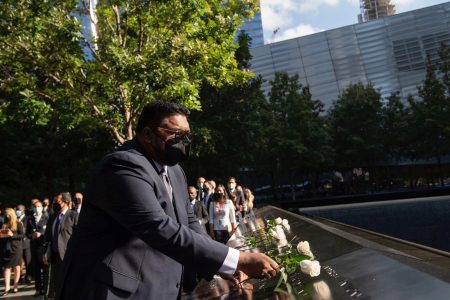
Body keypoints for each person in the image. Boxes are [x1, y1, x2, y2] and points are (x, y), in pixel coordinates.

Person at [58, 101, 279, 300]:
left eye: (188, 136)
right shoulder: (122, 166)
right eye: (176, 135)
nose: (184, 142)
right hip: (112, 291)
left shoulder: (175, 171)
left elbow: (189, 221)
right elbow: (157, 226)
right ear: (147, 134)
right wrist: (238, 259)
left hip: (159, 287)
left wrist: (219, 263)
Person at [44, 192, 78, 300]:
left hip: (68, 257)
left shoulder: (74, 216)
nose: (54, 204)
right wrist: (45, 252)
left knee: (70, 284)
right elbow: (47, 236)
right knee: (57, 285)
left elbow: (79, 237)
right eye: (54, 202)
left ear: (66, 202)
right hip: (54, 257)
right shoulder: (53, 217)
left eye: (57, 202)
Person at [27, 200, 49, 297]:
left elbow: (49, 231)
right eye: (35, 206)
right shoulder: (30, 219)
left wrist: (41, 233)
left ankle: (45, 289)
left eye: (39, 206)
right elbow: (27, 233)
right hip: (34, 246)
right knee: (36, 269)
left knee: (45, 269)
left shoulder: (46, 217)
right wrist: (32, 235)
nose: (37, 208)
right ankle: (38, 289)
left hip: (43, 246)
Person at [0, 208, 24, 296]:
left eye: (8, 214)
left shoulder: (18, 223)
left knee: (17, 267)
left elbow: (22, 235)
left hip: (16, 248)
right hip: (5, 248)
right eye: (5, 214)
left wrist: (12, 235)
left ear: (12, 214)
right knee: (6, 267)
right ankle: (7, 287)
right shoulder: (3, 224)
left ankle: (15, 286)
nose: (6, 216)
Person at [16, 205, 32, 284]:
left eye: (19, 209)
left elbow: (29, 230)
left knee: (27, 260)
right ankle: (18, 277)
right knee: (18, 262)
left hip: (26, 243)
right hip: (17, 244)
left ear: (23, 210)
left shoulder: (27, 219)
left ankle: (28, 276)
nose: (17, 211)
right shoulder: (15, 219)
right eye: (17, 209)